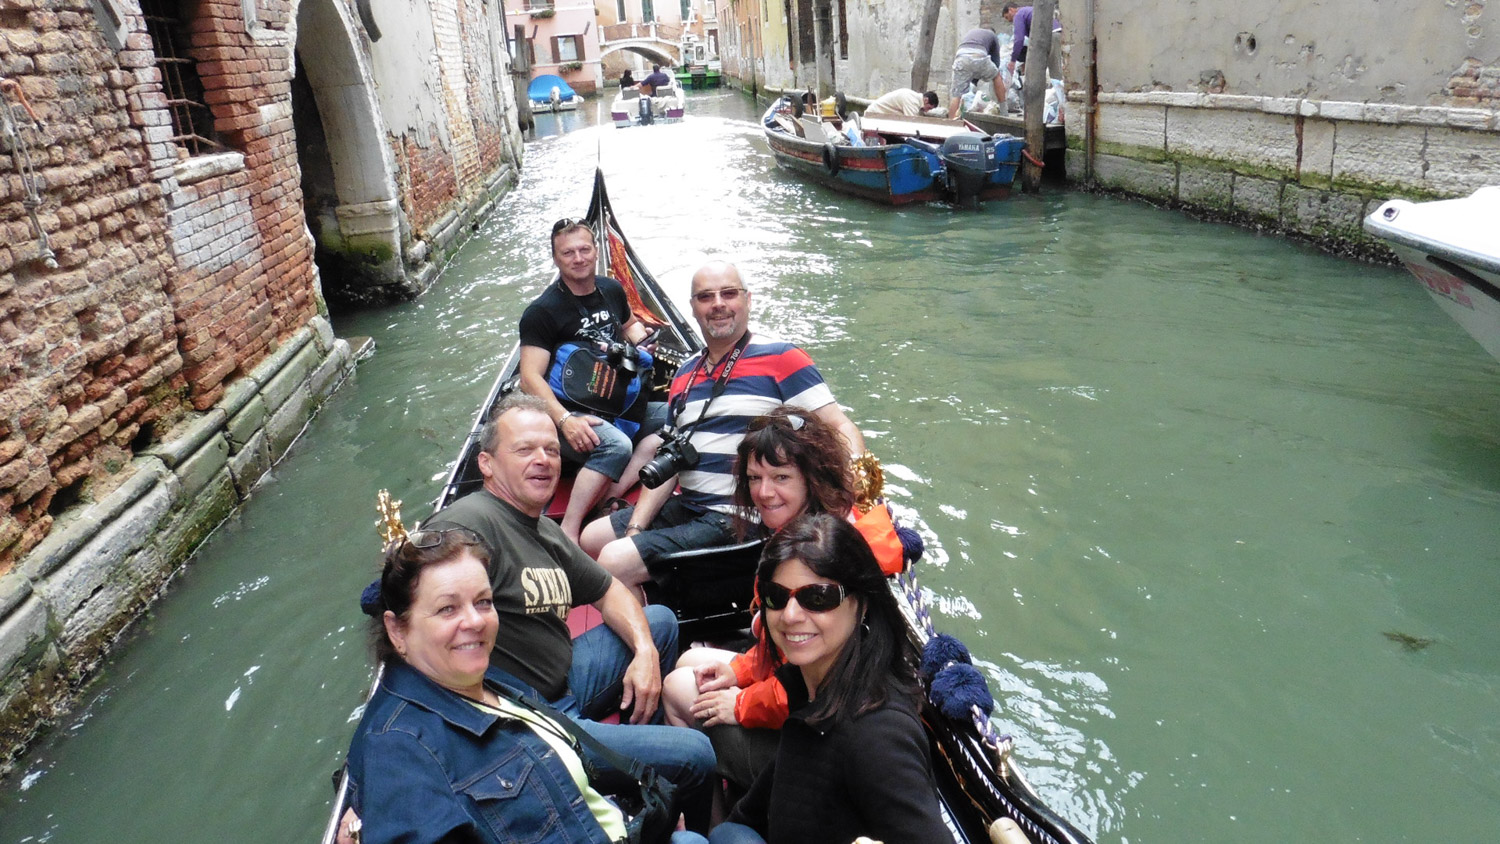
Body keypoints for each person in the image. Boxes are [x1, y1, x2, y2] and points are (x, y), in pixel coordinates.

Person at [420, 393, 716, 829]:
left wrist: (645, 655)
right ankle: (671, 816)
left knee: (659, 624)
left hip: (565, 678)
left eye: (552, 450)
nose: (543, 460)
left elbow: (610, 590)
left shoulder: (539, 526)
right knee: (697, 755)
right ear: (485, 464)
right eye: (524, 450)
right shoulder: (463, 532)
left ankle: (641, 764)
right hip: (531, 722)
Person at [345, 528, 709, 844]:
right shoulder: (397, 750)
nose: (475, 621)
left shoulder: (481, 680)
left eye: (483, 602)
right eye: (447, 609)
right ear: (397, 631)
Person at [580, 261, 866, 600]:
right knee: (592, 539)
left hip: (740, 516)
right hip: (690, 507)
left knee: (614, 559)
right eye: (706, 297)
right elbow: (672, 459)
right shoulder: (685, 374)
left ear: (747, 300)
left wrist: (854, 488)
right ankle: (656, 612)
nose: (717, 303)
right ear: (694, 308)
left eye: (728, 294)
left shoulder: (782, 358)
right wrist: (635, 528)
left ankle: (652, 637)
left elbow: (839, 425)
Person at [661, 407, 904, 801]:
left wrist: (740, 703)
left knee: (677, 687)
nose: (763, 493)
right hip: (803, 700)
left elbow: (806, 686)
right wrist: (740, 671)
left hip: (817, 742)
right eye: (755, 478)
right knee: (693, 664)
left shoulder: (824, 558)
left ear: (812, 479)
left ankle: (714, 815)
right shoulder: (810, 535)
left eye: (781, 478)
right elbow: (784, 655)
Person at [707, 514, 949, 844]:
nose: (790, 616)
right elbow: (759, 806)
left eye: (818, 597)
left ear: (862, 604)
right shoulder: (807, 684)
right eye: (776, 596)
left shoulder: (877, 735)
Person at [518, 218, 666, 542]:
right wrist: (566, 420)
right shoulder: (542, 312)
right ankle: (569, 530)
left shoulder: (611, 289)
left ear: (596, 251)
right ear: (556, 259)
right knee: (616, 445)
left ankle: (606, 499)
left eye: (584, 249)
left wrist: (643, 345)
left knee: (676, 418)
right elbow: (529, 378)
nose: (579, 258)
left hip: (614, 398)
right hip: (565, 410)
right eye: (568, 253)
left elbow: (629, 327)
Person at [946, 26, 1006, 118]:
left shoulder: (972, 32)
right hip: (979, 55)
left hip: (961, 58)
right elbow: (996, 62)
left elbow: (969, 67)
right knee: (997, 76)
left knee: (957, 94)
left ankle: (950, 122)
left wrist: (974, 81)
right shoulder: (993, 36)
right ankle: (1004, 111)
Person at [864, 88, 941, 118]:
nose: (927, 111)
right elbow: (912, 121)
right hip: (873, 115)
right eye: (929, 108)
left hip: (879, 116)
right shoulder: (912, 100)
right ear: (926, 100)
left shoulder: (913, 98)